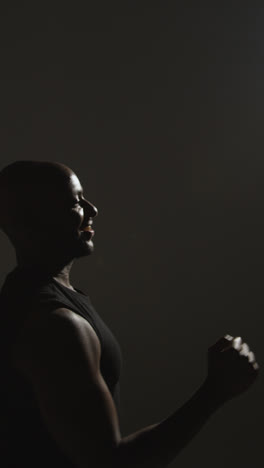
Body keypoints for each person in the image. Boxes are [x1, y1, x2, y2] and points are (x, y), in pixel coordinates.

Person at [0, 160, 259, 468]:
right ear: (30, 221)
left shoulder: (32, 297)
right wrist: (214, 392)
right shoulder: (56, 325)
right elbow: (113, 463)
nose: (92, 209)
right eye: (75, 202)